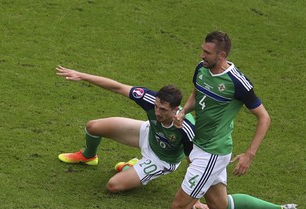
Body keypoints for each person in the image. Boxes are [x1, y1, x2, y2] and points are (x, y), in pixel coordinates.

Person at [120, 31, 295, 209]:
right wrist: (184, 111)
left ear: (222, 55)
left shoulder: (238, 83)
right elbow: (196, 93)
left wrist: (249, 154)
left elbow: (264, 117)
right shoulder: (201, 69)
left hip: (212, 153)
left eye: (207, 52)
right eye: (202, 50)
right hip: (199, 145)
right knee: (219, 205)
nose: (202, 55)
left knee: (179, 206)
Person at [55, 66, 202, 197]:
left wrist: (192, 198)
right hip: (148, 133)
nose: (157, 112)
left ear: (176, 109)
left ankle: (129, 167)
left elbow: (193, 162)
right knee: (93, 127)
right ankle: (88, 156)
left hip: (161, 160)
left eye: (163, 110)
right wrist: (82, 75)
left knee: (113, 186)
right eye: (156, 106)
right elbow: (118, 87)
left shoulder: (186, 127)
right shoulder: (149, 99)